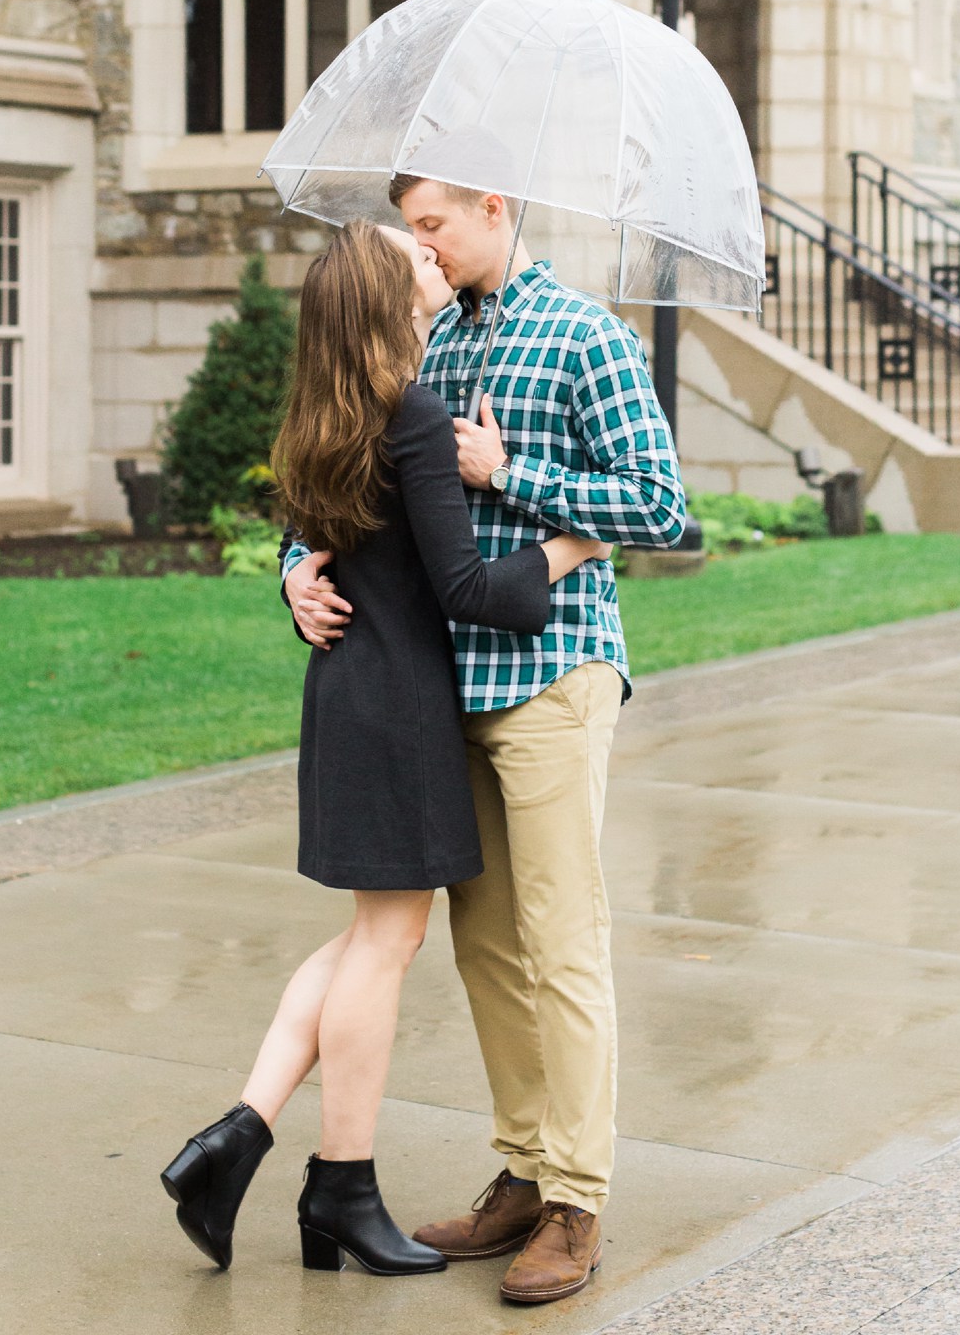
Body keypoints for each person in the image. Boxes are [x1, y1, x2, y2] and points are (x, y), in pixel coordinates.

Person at [160, 221, 608, 1281]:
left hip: (343, 693)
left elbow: (321, 542)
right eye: (408, 252)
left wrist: (292, 575)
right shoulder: (411, 410)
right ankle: (340, 1181)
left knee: (370, 933)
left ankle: (238, 1134)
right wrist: (567, 546)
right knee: (387, 943)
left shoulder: (322, 411)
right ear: (384, 294)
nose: (427, 257)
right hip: (403, 700)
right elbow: (463, 588)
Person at [285, 180, 684, 1307]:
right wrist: (295, 574)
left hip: (555, 671)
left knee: (563, 938)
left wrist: (506, 470)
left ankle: (578, 1196)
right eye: (409, 229)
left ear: (494, 207)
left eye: (433, 226)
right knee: (487, 945)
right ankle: (521, 1168)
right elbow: (344, 480)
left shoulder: (586, 335)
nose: (419, 245)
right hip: (442, 684)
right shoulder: (423, 332)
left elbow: (658, 504)